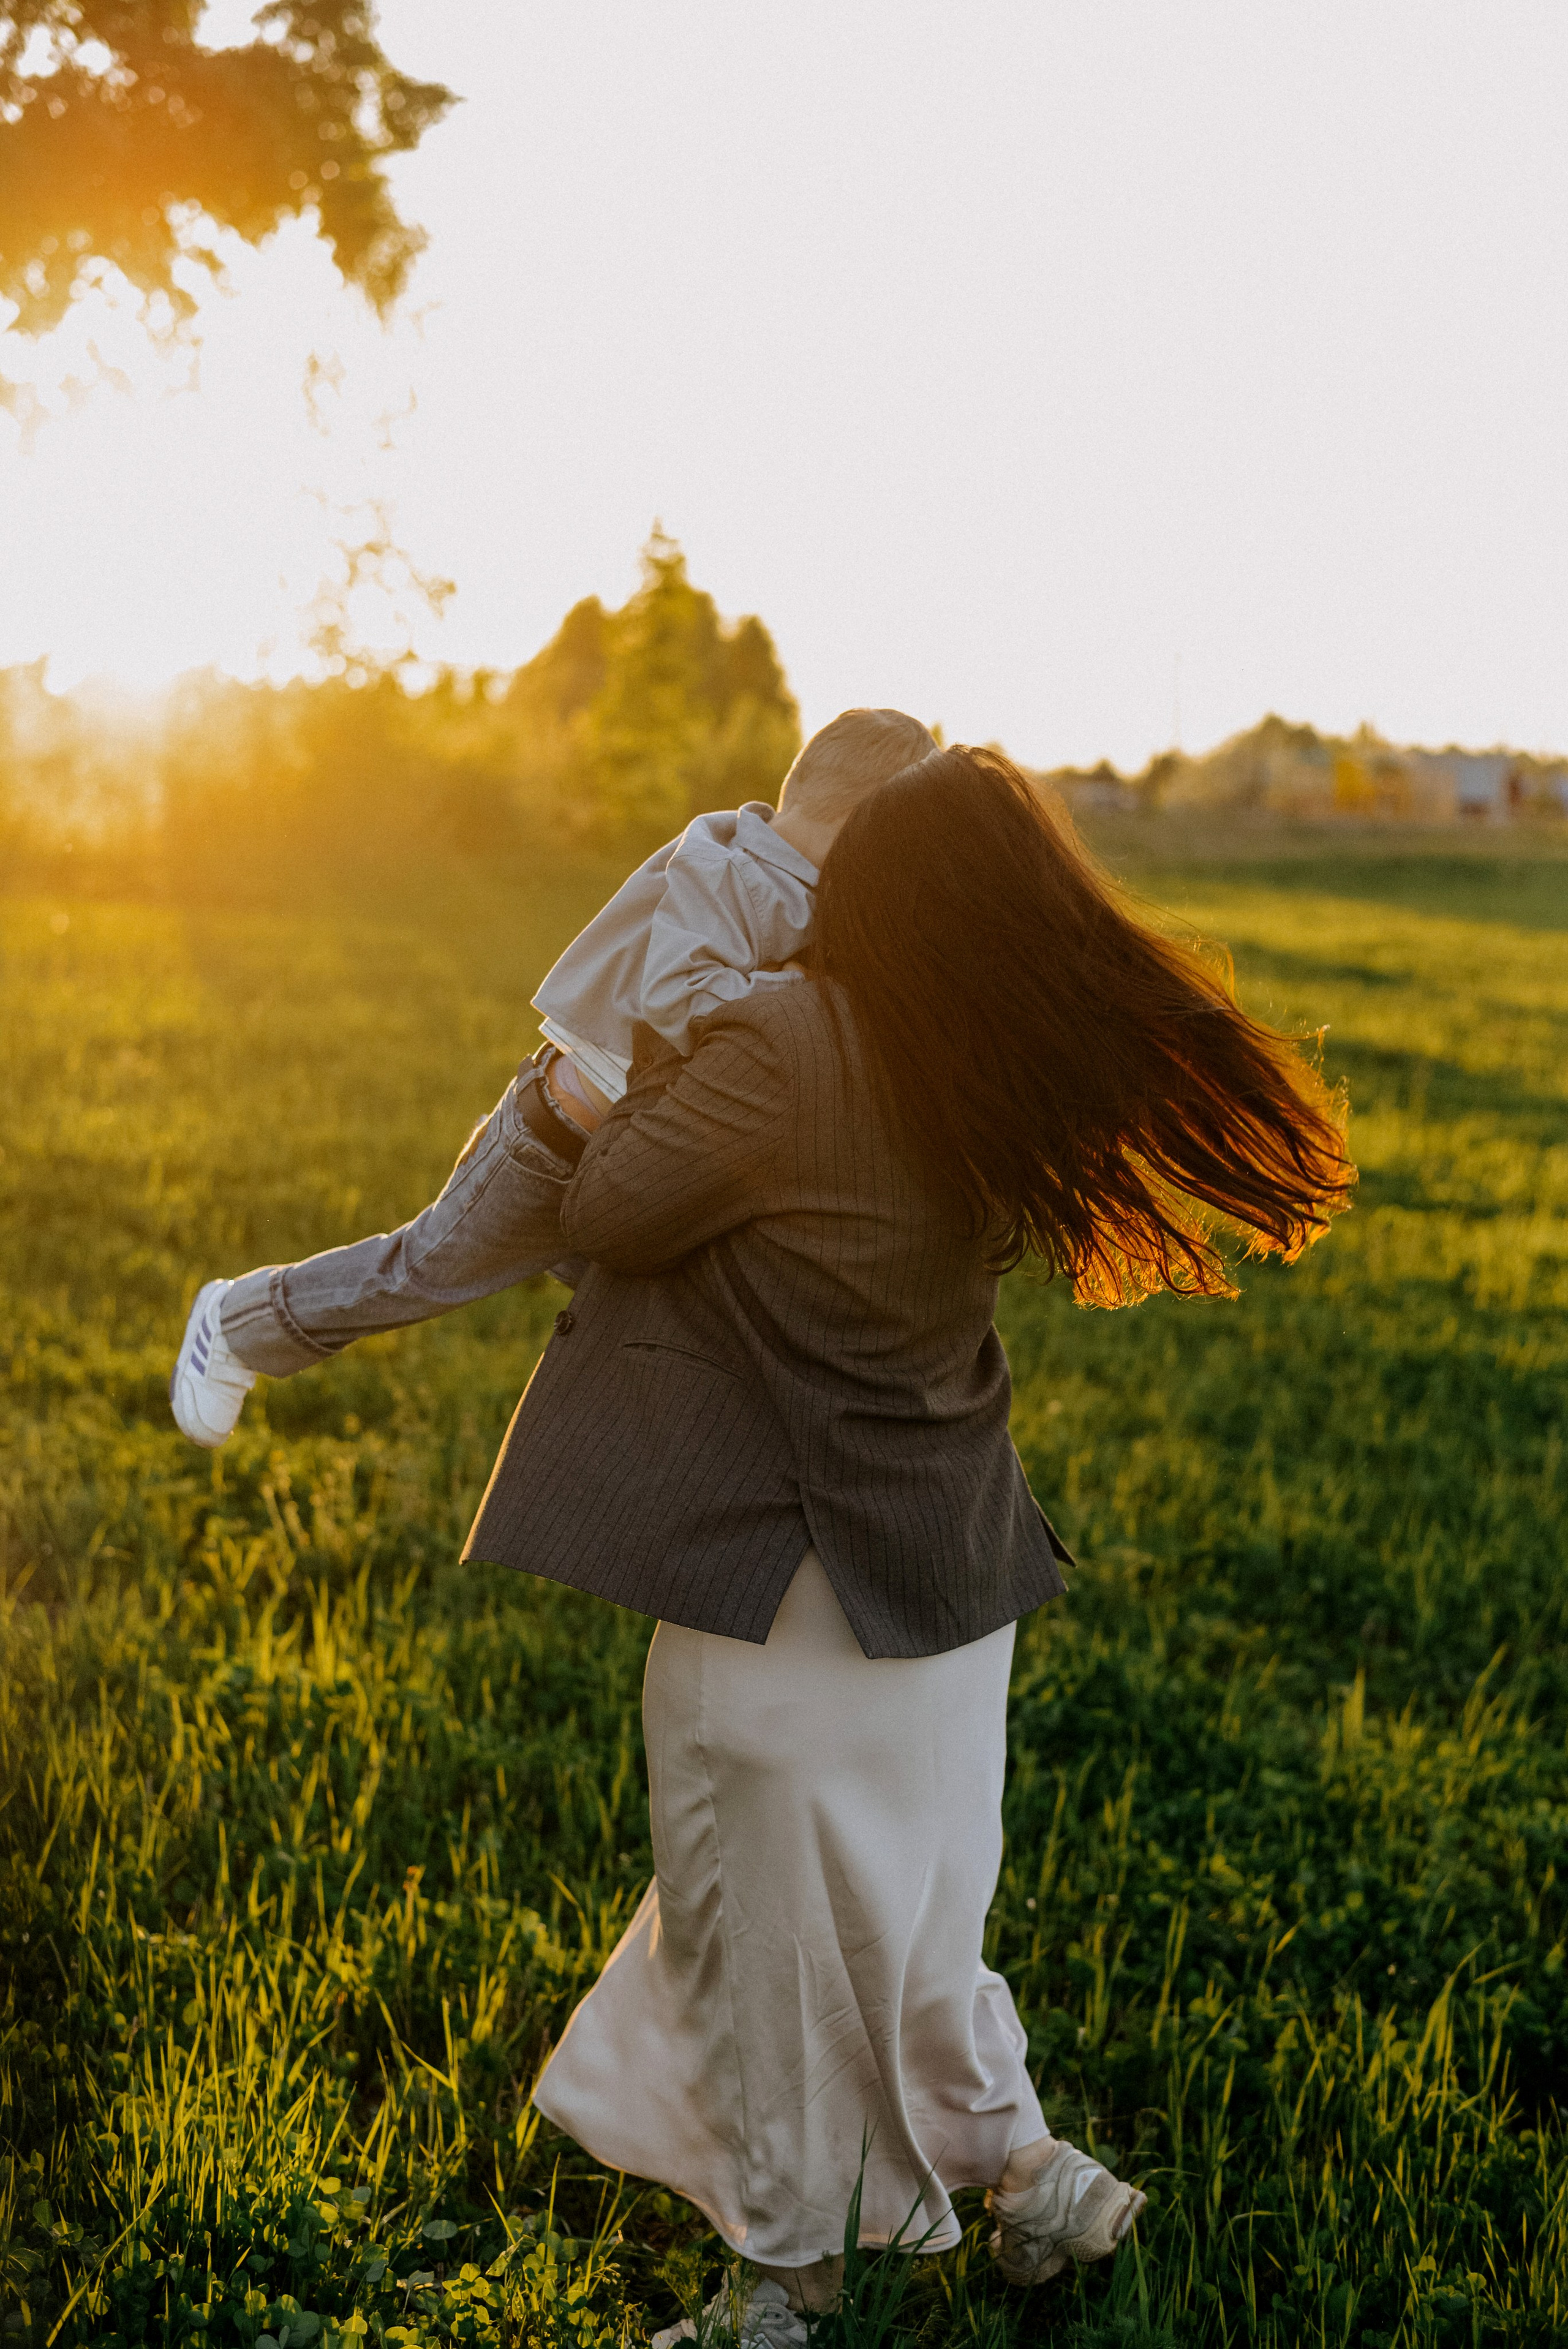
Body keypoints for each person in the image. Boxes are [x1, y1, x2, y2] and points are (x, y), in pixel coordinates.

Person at [454, 747, 1355, 2344]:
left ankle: (788, 2283)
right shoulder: (983, 1049)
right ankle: (1031, 2178)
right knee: (911, 1915)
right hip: (949, 1566)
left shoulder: (793, 1037)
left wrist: (623, 1057)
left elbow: (608, 1206)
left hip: (788, 1581)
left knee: (768, 1937)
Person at [167, 707, 936, 1442]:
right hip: (558, 1142)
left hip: (644, 1163)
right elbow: (678, 995)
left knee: (681, 1320)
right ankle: (236, 1321)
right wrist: (803, 1000)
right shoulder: (730, 866)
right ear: (862, 822)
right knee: (425, 1268)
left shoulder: (811, 890)